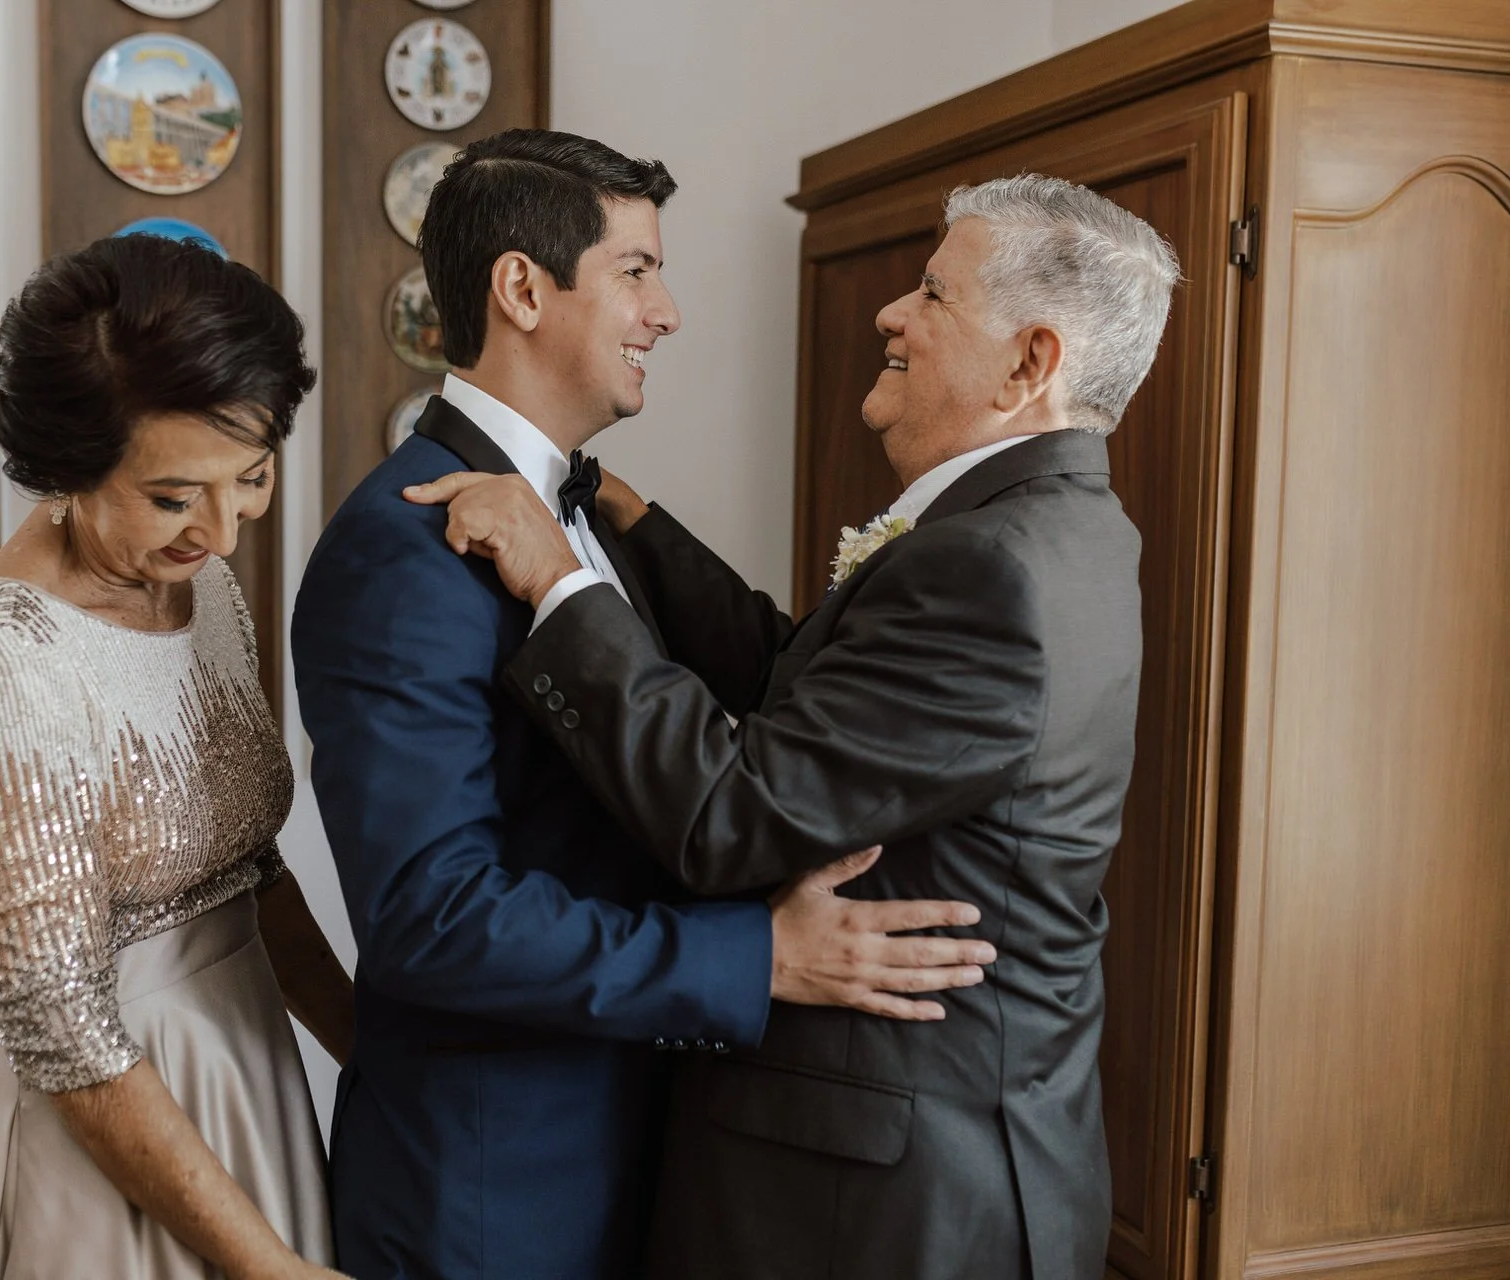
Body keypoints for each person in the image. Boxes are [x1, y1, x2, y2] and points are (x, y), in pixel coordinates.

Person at [410, 173, 1179, 1279]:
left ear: (1030, 364)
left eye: (933, 293)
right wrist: (629, 523)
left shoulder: (992, 568)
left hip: (889, 1192)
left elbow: (731, 811)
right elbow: (806, 689)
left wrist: (556, 581)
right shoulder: (1055, 526)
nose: (891, 314)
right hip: (941, 1143)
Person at [292, 128, 998, 1280]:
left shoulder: (586, 517)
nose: (665, 313)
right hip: (495, 1194)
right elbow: (432, 918)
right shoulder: (402, 551)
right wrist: (755, 957)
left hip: (635, 1153)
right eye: (636, 271)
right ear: (523, 290)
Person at [0, 235, 353, 1280]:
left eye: (253, 476)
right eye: (175, 496)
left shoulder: (200, 587)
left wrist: (373, 1056)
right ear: (66, 469)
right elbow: (62, 1032)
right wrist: (269, 1266)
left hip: (241, 1072)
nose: (223, 532)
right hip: (101, 1125)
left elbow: (249, 872)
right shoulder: (0, 667)